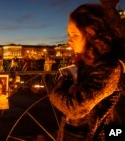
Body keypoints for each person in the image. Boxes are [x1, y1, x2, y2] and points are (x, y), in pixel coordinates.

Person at [48, 3, 125, 141]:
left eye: (75, 35)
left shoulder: (108, 67)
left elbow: (74, 107)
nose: (69, 41)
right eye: (69, 34)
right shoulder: (88, 62)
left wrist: (54, 93)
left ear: (92, 35)